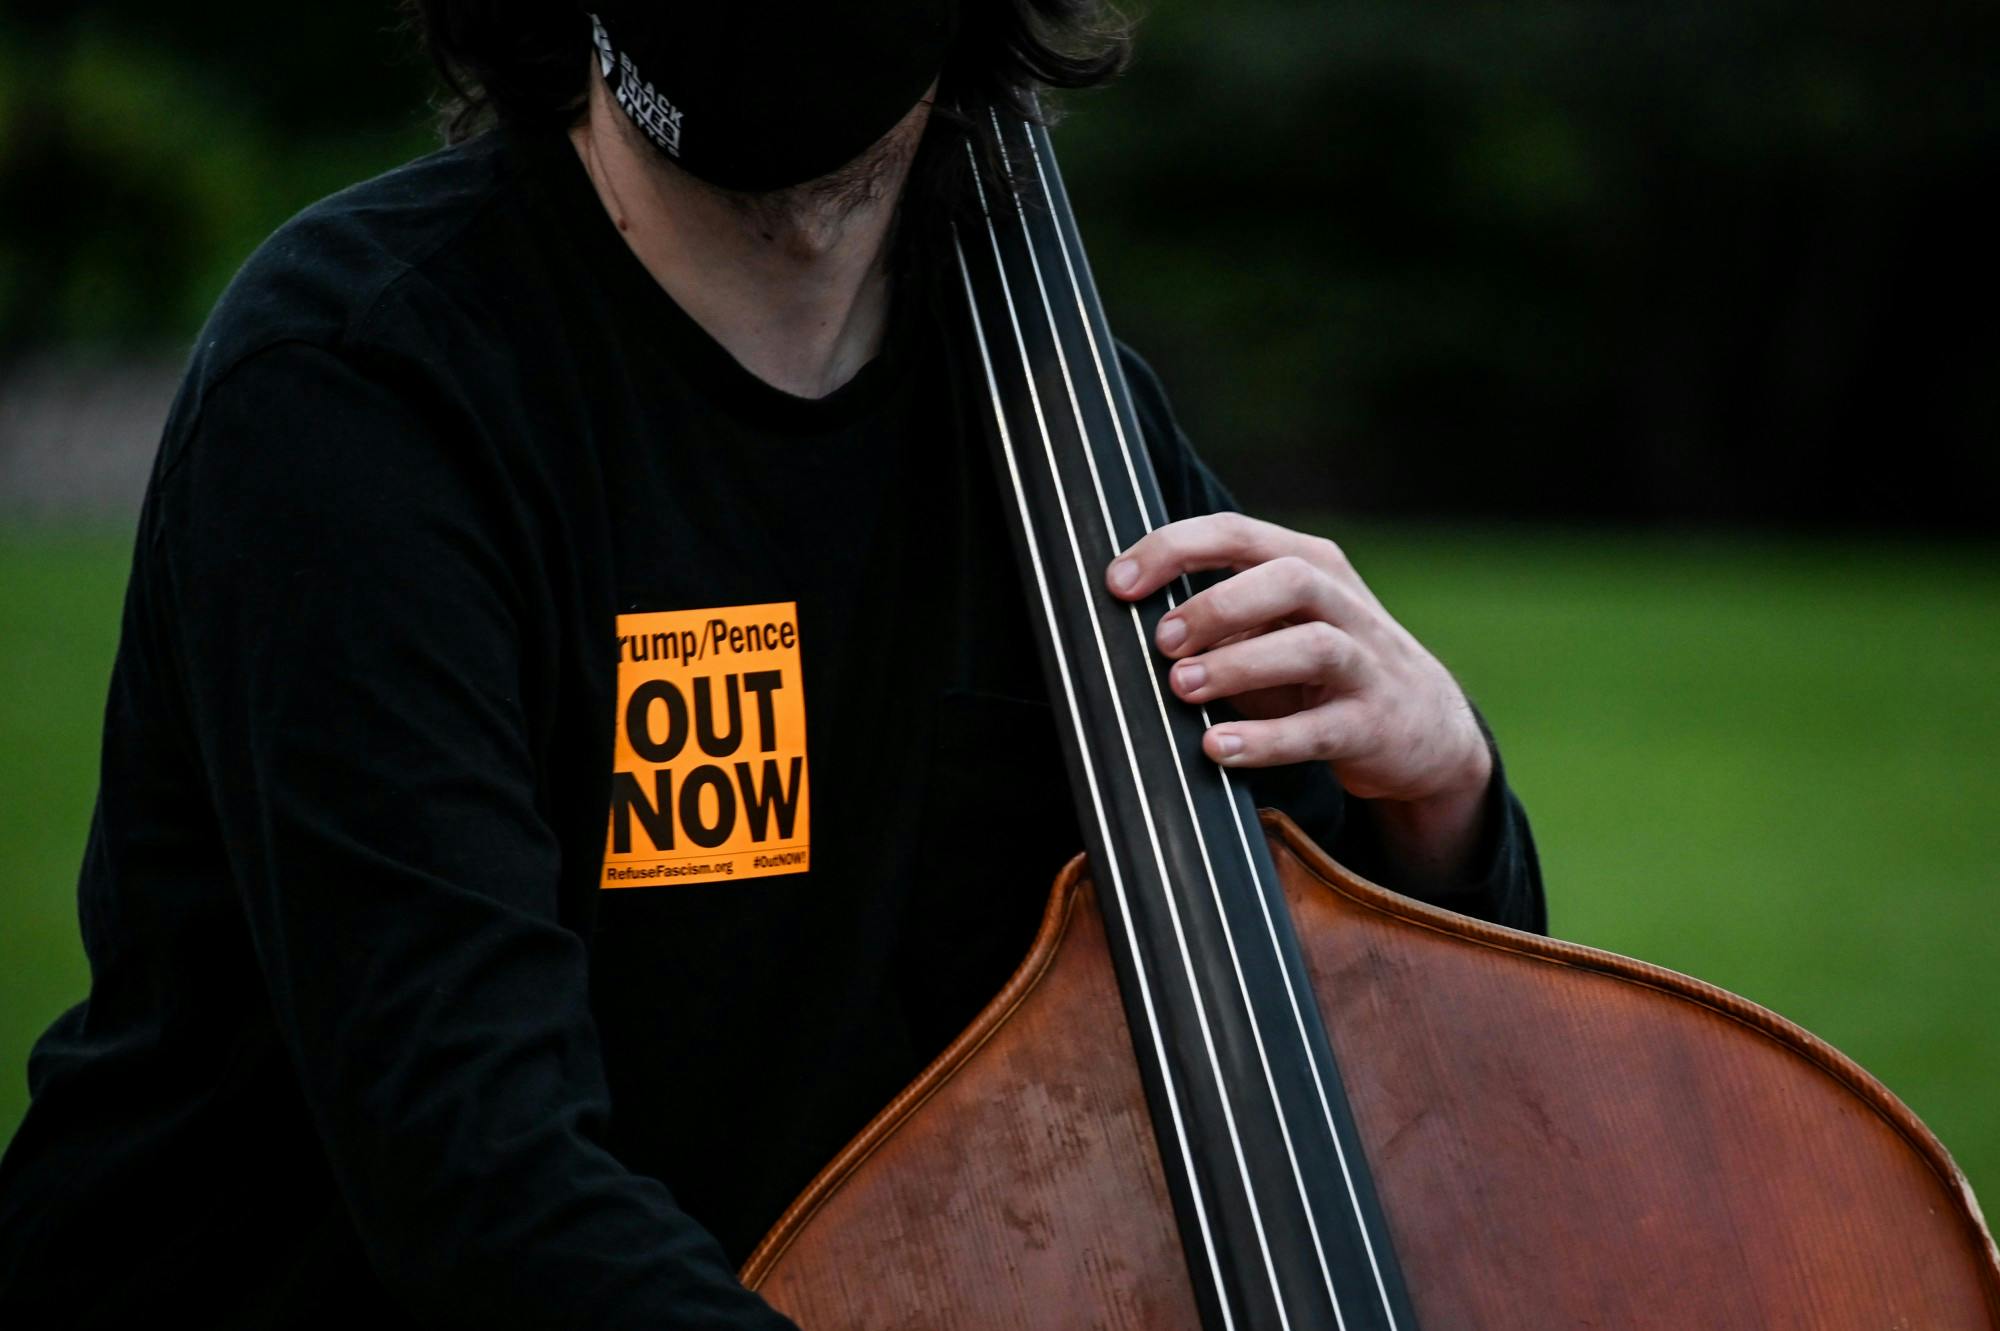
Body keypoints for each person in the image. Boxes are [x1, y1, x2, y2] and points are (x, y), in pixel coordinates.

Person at [0, 1, 1543, 1325]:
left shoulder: (1068, 433)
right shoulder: (360, 396)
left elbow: (1365, 1048)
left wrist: (1443, 803)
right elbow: (484, 1181)